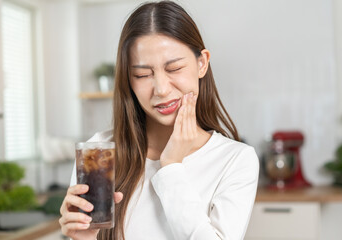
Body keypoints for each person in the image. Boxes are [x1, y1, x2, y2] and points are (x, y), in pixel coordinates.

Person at [59, 1, 259, 240]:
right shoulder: (100, 152)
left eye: (174, 68)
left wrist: (172, 166)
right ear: (128, 80)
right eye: (142, 75)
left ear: (201, 63)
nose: (161, 89)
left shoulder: (235, 160)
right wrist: (83, 238)